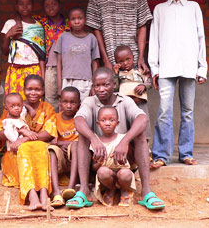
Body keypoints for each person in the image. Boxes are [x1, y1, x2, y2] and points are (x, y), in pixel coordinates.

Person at [67, 68, 165, 210]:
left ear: (114, 84)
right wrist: (94, 140)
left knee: (140, 136)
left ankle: (146, 192)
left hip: (124, 160)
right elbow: (79, 121)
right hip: (99, 162)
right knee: (82, 137)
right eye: (97, 86)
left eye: (105, 85)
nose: (101, 89)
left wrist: (124, 141)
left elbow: (142, 119)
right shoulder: (90, 101)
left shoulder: (124, 100)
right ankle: (83, 191)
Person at [148, 0, 207, 168]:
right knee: (165, 110)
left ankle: (186, 153)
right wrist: (154, 68)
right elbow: (154, 39)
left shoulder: (193, 7)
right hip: (166, 67)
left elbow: (201, 38)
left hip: (189, 66)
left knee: (188, 111)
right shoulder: (160, 9)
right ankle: (161, 155)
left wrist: (202, 67)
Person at [0, 75, 57, 211]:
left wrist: (25, 138)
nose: (33, 93)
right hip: (17, 153)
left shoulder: (47, 108)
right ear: (24, 90)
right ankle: (32, 194)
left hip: (38, 149)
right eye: (29, 89)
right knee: (24, 149)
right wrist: (13, 130)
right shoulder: (14, 107)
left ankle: (44, 194)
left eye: (37, 89)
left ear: (43, 91)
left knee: (39, 147)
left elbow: (49, 133)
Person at [86, 0, 152, 73]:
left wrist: (141, 58)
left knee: (133, 90)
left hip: (133, 59)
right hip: (110, 60)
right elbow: (96, 31)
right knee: (111, 91)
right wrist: (105, 60)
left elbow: (142, 27)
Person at [1, 0, 46, 99]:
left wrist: (43, 76)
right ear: (16, 6)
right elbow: (4, 52)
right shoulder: (10, 23)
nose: (25, 7)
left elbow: (41, 53)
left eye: (28, 4)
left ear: (33, 5)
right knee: (14, 102)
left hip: (34, 69)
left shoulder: (38, 26)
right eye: (21, 4)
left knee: (33, 101)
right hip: (15, 69)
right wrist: (8, 36)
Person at [92, 106, 136, 207]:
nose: (107, 123)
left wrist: (124, 158)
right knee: (102, 171)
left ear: (117, 123)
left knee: (125, 173)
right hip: (107, 178)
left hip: (123, 174)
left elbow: (132, 161)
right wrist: (100, 162)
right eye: (103, 120)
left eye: (111, 120)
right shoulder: (96, 142)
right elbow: (93, 168)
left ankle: (124, 191)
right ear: (98, 124)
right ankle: (111, 189)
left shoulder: (123, 139)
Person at [55, 7, 100, 101]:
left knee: (84, 108)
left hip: (86, 81)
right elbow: (59, 63)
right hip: (67, 80)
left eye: (80, 18)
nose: (77, 21)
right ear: (69, 21)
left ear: (85, 20)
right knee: (68, 109)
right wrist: (59, 86)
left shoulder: (91, 38)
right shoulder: (63, 37)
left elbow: (95, 63)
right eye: (73, 19)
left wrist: (94, 85)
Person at [48, 87, 80, 208]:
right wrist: (63, 144)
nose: (68, 105)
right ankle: (56, 192)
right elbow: (53, 142)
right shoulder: (55, 118)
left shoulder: (80, 118)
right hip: (61, 157)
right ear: (60, 103)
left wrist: (67, 143)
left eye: (73, 102)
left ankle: (70, 188)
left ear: (79, 104)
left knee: (76, 145)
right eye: (65, 102)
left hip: (75, 157)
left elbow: (83, 141)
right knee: (52, 150)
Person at [38, 0, 70, 111]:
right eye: (47, 6)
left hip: (67, 67)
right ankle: (51, 125)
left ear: (60, 6)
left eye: (54, 4)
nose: (51, 7)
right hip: (50, 67)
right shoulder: (42, 22)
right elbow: (23, 17)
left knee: (67, 97)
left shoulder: (68, 24)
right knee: (50, 98)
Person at [113, 45, 152, 140]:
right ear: (116, 63)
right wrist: (115, 74)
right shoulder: (118, 74)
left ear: (133, 57)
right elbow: (114, 88)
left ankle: (146, 148)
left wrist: (144, 86)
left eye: (128, 59)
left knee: (143, 124)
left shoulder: (139, 71)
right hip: (124, 106)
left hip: (140, 104)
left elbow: (149, 82)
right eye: (121, 61)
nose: (125, 63)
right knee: (125, 126)